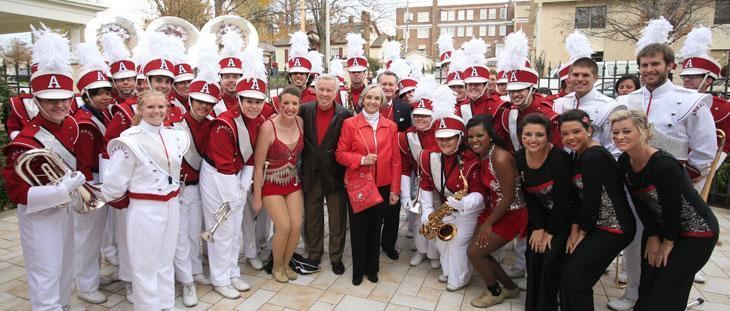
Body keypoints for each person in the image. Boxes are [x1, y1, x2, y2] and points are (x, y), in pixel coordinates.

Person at [617, 20, 717, 288]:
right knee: (636, 237)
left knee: (674, 241)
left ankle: (661, 294)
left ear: (670, 66)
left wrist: (683, 180)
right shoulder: (626, 101)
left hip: (675, 185)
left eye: (655, 64)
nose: (649, 70)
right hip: (636, 183)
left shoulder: (690, 101)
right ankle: (633, 292)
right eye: (644, 65)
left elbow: (705, 149)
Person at [2, 27, 85, 310]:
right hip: (40, 217)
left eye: (65, 99)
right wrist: (63, 189)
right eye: (51, 100)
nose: (60, 105)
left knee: (65, 268)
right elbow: (17, 192)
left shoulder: (71, 125)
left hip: (65, 211)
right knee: (45, 274)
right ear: (36, 102)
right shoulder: (24, 142)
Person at [612, 109, 719, 310]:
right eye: (615, 132)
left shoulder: (664, 165)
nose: (619, 137)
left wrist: (668, 242)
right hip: (662, 229)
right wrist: (652, 236)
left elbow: (673, 208)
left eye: (626, 131)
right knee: (648, 286)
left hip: (696, 232)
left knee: (666, 289)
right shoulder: (625, 161)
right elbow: (640, 202)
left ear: (643, 131)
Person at [102, 90, 189, 310]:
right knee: (144, 267)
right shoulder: (130, 140)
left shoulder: (174, 134)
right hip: (145, 208)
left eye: (161, 107)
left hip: (171, 205)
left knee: (165, 262)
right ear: (140, 110)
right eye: (150, 107)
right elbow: (113, 186)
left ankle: (166, 304)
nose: (157, 111)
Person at [202, 46, 270, 298]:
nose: (253, 106)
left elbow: (252, 156)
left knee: (233, 231)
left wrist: (243, 187)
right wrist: (235, 194)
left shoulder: (259, 121)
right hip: (217, 178)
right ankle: (219, 279)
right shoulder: (224, 124)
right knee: (221, 229)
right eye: (248, 101)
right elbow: (223, 166)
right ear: (239, 101)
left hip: (236, 177)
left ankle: (232, 273)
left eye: (257, 101)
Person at [558, 109, 636, 310]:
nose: (570, 137)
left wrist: (582, 232)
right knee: (571, 276)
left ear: (589, 130)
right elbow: (580, 198)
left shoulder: (593, 156)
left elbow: (591, 200)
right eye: (565, 134)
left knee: (575, 279)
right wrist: (576, 229)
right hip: (597, 226)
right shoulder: (580, 154)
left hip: (613, 228)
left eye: (576, 131)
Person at [418, 86, 487, 293]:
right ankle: (448, 271)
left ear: (459, 137)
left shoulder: (472, 160)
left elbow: (481, 193)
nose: (444, 142)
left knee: (456, 243)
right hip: (446, 206)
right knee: (441, 242)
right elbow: (426, 185)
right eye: (440, 138)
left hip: (468, 209)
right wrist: (428, 210)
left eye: (449, 138)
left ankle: (460, 277)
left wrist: (464, 203)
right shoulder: (429, 156)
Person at [336, 84, 401, 285]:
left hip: (381, 184)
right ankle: (358, 270)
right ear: (362, 99)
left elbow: (396, 160)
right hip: (358, 184)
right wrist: (361, 160)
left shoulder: (390, 126)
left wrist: (395, 190)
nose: (373, 102)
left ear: (381, 102)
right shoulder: (350, 123)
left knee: (375, 228)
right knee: (358, 229)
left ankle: (372, 269)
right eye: (369, 97)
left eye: (377, 99)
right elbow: (340, 154)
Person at [515, 113, 574, 311]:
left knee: (549, 259)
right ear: (520, 135)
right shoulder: (518, 157)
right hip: (539, 217)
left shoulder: (560, 159)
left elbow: (563, 200)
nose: (533, 140)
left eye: (539, 135)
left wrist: (549, 231)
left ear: (548, 136)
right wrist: (538, 227)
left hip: (564, 217)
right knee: (532, 257)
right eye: (527, 134)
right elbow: (529, 195)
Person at [71, 42, 115, 305]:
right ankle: (86, 284)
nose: (106, 96)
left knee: (96, 235)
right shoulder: (85, 121)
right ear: (86, 95)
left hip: (101, 179)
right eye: (99, 93)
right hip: (90, 182)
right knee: (87, 237)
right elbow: (83, 161)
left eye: (108, 91)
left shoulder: (103, 114)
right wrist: (88, 189)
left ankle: (93, 276)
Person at [465, 115, 524, 307]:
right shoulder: (485, 154)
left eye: (479, 135)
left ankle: (495, 292)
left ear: (490, 136)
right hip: (496, 210)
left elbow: (508, 197)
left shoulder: (499, 157)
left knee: (475, 253)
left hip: (512, 214)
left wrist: (488, 224)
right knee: (479, 251)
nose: (474, 140)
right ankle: (510, 288)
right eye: (470, 137)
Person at [250, 87, 305, 283]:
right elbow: (257, 166)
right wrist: (257, 197)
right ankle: (277, 266)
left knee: (297, 225)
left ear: (299, 105)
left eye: (294, 104)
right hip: (271, 183)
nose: (290, 108)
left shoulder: (300, 122)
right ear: (279, 104)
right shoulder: (268, 127)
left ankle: (287, 263)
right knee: (283, 226)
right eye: (286, 104)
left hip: (292, 181)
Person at [300, 74, 353, 274]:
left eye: (329, 90)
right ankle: (314, 253)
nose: (324, 93)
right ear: (314, 89)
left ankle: (336, 257)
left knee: (337, 218)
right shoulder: (304, 111)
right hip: (310, 172)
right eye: (321, 89)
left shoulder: (345, 115)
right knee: (312, 216)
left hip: (335, 174)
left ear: (336, 92)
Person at [398, 81, 439, 269]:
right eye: (417, 116)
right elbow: (406, 167)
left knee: (437, 219)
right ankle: (421, 251)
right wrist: (406, 194)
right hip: (420, 184)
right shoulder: (408, 135)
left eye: (425, 116)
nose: (421, 119)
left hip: (440, 184)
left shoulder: (441, 132)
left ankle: (435, 254)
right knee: (418, 221)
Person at [553, 57, 626, 157]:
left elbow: (614, 148)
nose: (580, 79)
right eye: (576, 75)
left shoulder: (609, 106)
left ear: (596, 78)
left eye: (585, 75)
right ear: (569, 77)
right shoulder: (559, 103)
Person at [376, 70, 412, 260]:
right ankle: (373, 241)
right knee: (374, 207)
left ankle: (389, 244)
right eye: (384, 84)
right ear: (378, 85)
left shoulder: (404, 108)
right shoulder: (369, 104)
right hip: (373, 165)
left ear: (397, 87)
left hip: (396, 165)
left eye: (391, 84)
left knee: (393, 207)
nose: (387, 88)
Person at [457, 38, 504, 123]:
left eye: (477, 84)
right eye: (470, 84)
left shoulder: (497, 105)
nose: (473, 87)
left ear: (485, 85)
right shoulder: (461, 106)